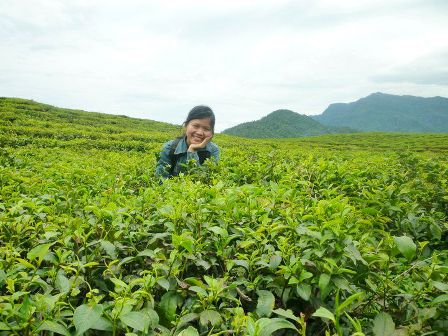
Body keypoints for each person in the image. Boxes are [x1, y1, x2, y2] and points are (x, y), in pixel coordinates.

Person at [155, 105, 220, 179]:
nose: (200, 132)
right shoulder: (169, 148)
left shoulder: (213, 150)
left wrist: (192, 150)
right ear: (186, 125)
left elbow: (202, 180)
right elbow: (160, 179)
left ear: (211, 133)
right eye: (196, 126)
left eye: (206, 129)